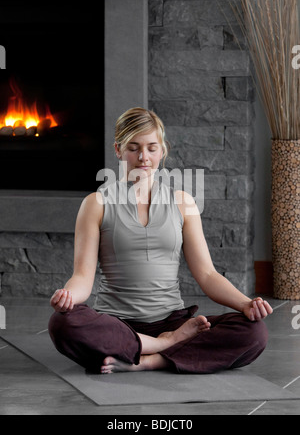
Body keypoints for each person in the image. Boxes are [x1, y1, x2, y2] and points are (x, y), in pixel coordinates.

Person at [48, 107, 273, 374]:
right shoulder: (96, 204)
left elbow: (208, 274)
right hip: (116, 323)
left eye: (151, 148)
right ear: (118, 150)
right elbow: (83, 276)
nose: (143, 157)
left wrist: (245, 304)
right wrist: (68, 296)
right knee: (62, 324)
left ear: (162, 150)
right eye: (133, 148)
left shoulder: (182, 203)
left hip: (172, 321)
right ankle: (163, 345)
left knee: (253, 332)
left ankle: (150, 358)